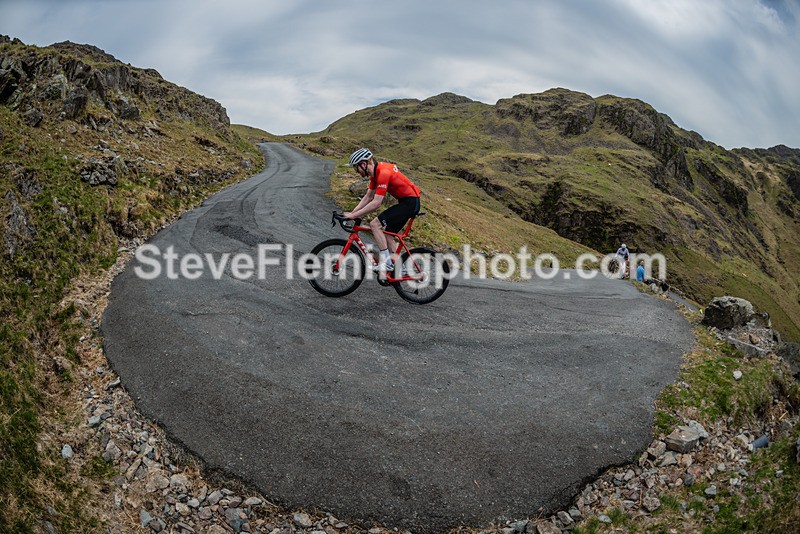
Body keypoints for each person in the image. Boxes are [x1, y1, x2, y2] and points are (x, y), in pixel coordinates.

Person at [343, 148, 421, 272]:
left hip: (410, 203)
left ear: (363, 164)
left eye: (355, 167)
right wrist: (352, 213)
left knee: (375, 224)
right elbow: (368, 197)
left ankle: (388, 263)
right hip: (407, 202)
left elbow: (376, 203)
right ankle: (401, 267)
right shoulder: (375, 175)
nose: (356, 171)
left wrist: (354, 215)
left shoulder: (383, 173)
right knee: (388, 234)